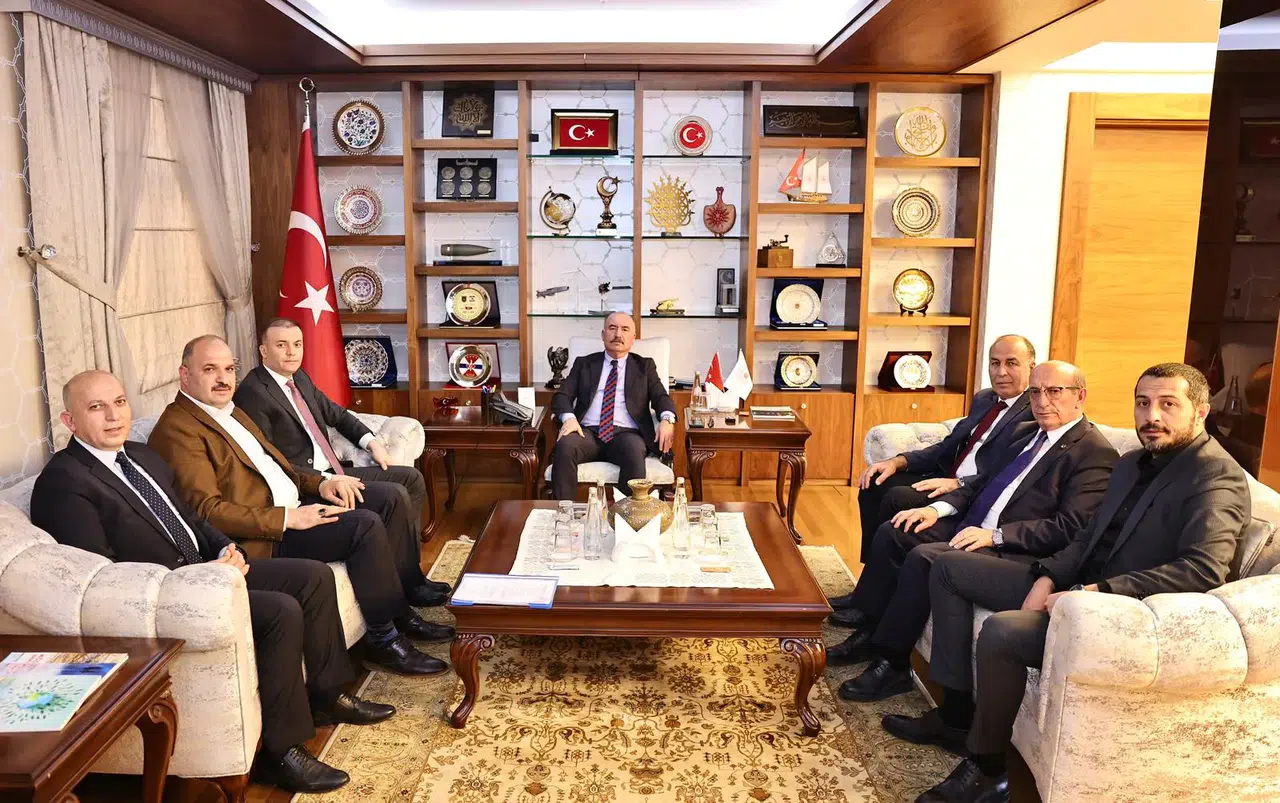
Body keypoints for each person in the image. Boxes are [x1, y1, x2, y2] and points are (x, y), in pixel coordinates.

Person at [894, 363, 1249, 803]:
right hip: (1075, 584)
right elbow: (1087, 537)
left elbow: (1202, 569)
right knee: (948, 567)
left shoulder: (1215, 475)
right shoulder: (1133, 463)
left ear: (1201, 411)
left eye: (1167, 404)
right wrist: (1048, 576)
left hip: (1122, 611)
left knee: (1002, 632)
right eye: (1143, 403)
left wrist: (1091, 593)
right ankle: (955, 715)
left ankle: (987, 771)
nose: (1151, 415)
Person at [32, 370, 395, 793]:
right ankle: (281, 753)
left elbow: (190, 516)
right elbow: (106, 580)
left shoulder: (140, 456)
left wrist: (226, 548)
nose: (114, 416)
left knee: (312, 577)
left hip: (208, 569)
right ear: (69, 421)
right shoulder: (64, 483)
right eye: (97, 408)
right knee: (280, 610)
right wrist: (201, 578)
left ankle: (328, 696)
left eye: (119, 402)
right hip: (173, 596)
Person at [148, 335, 452, 677]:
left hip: (295, 503)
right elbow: (207, 511)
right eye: (210, 369)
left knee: (387, 497)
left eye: (229, 369)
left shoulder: (229, 411)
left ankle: (401, 613)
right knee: (362, 526)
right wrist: (288, 518)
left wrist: (322, 483)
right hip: (266, 536)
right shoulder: (179, 430)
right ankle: (384, 641)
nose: (223, 378)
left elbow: (279, 467)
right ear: (184, 374)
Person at [828, 362, 1118, 703]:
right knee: (897, 531)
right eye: (1036, 392)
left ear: (1080, 396)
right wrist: (935, 510)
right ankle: (871, 629)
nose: (1042, 402)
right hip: (975, 526)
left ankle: (892, 664)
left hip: (1016, 550)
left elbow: (1070, 528)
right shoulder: (1029, 433)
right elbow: (981, 483)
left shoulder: (1095, 453)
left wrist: (997, 536)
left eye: (1054, 392)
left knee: (925, 557)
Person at [833, 334, 1036, 614]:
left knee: (897, 498)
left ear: (1031, 367)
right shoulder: (985, 399)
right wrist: (899, 461)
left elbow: (1008, 471)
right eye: (994, 363)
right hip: (943, 475)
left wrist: (958, 482)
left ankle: (871, 599)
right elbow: (947, 445)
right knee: (875, 482)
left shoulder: (1034, 413)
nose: (1001, 372)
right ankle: (871, 582)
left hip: (970, 491)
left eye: (1011, 363)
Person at [234, 317, 435, 543]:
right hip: (308, 484)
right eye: (281, 345)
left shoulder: (298, 377)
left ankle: (402, 557)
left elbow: (337, 414)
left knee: (411, 478)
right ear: (264, 350)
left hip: (334, 470)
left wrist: (372, 443)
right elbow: (268, 460)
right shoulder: (253, 393)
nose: (291, 352)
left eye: (297, 344)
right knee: (393, 494)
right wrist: (324, 479)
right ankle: (393, 556)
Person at [550, 311, 677, 500]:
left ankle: (628, 514)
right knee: (565, 446)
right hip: (587, 433)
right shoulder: (584, 364)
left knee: (634, 451)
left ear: (633, 337)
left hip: (627, 434)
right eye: (612, 328)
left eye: (625, 329)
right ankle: (564, 511)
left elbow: (661, 397)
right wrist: (569, 418)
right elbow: (562, 396)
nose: (618, 334)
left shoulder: (644, 366)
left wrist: (667, 419)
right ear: (603, 335)